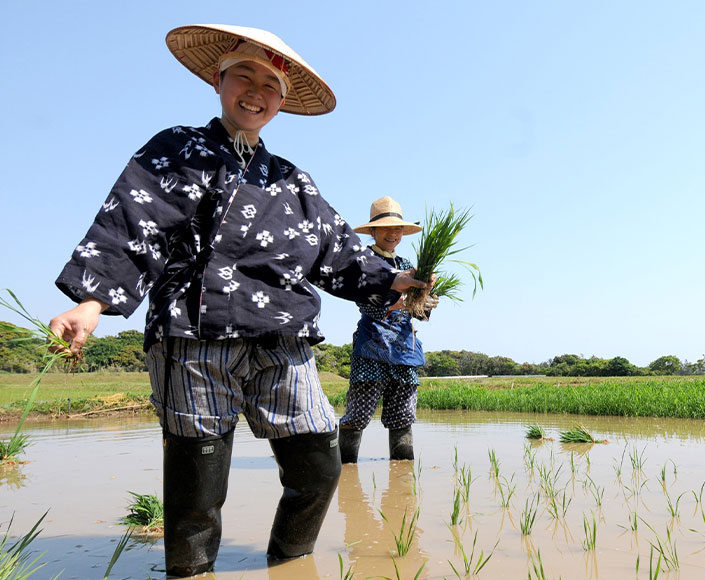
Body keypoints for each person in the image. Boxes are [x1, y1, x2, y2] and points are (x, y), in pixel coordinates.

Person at [47, 24, 429, 578]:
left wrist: (398, 280)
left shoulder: (293, 181)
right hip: (195, 334)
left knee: (320, 464)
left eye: (270, 84)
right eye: (243, 76)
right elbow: (135, 219)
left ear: (281, 100)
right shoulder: (178, 149)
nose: (255, 91)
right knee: (200, 485)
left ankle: (289, 564)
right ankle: (191, 569)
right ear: (219, 81)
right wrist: (92, 301)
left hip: (284, 337)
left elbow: (340, 255)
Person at [338, 197, 437, 463]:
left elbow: (419, 313)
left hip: (404, 348)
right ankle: (345, 472)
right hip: (372, 346)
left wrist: (426, 303)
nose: (393, 234)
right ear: (372, 231)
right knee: (358, 414)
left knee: (403, 415)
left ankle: (402, 483)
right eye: (386, 228)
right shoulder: (364, 262)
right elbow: (367, 304)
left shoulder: (407, 266)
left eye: (398, 229)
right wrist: (400, 303)